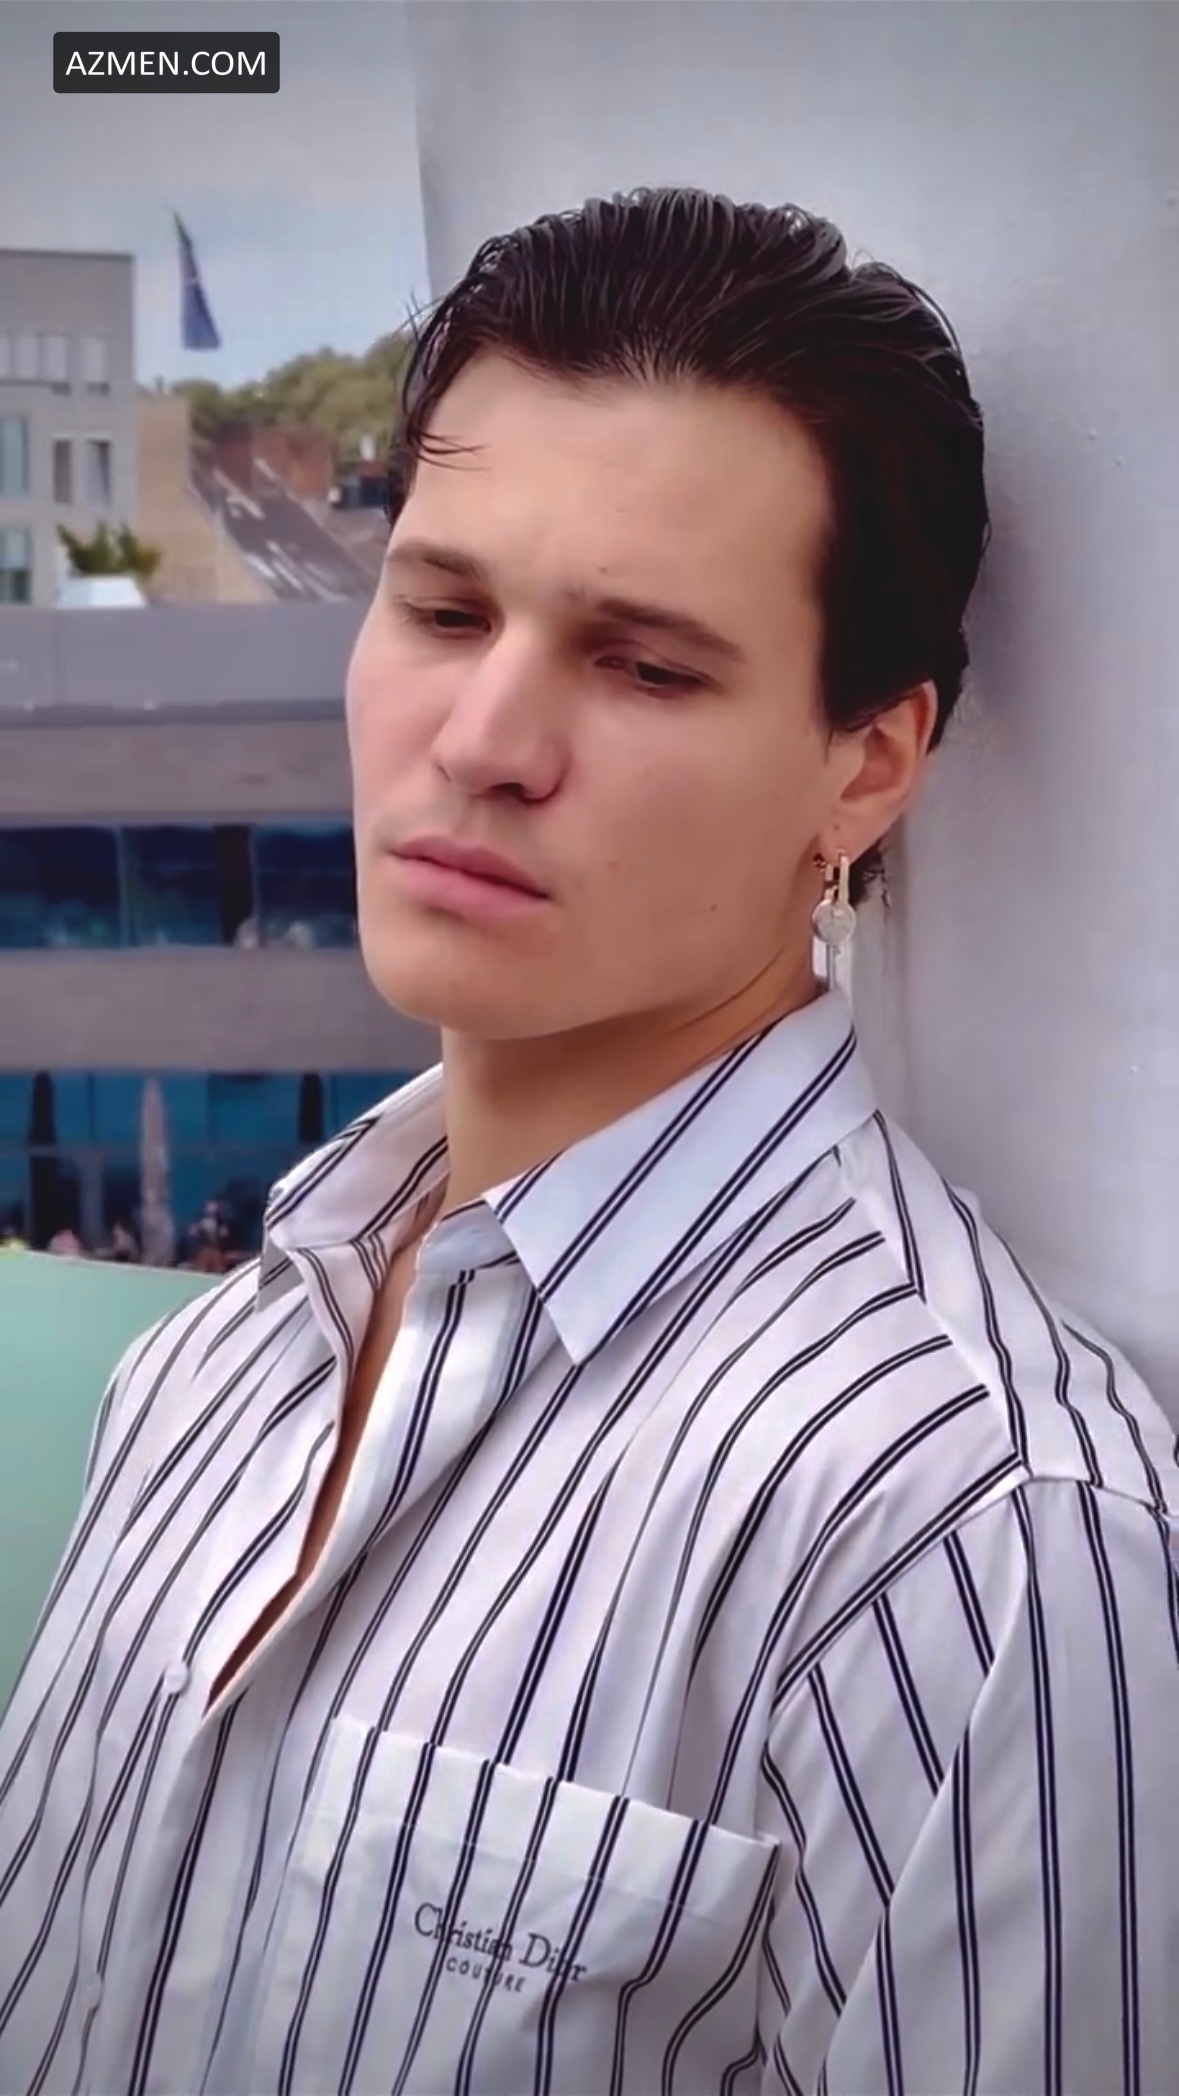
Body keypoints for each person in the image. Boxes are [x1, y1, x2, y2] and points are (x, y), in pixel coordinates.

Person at [0, 189, 1174, 2096]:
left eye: (647, 666)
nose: (483, 739)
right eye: (445, 609)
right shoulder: (208, 1371)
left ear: (866, 765)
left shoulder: (976, 1535)